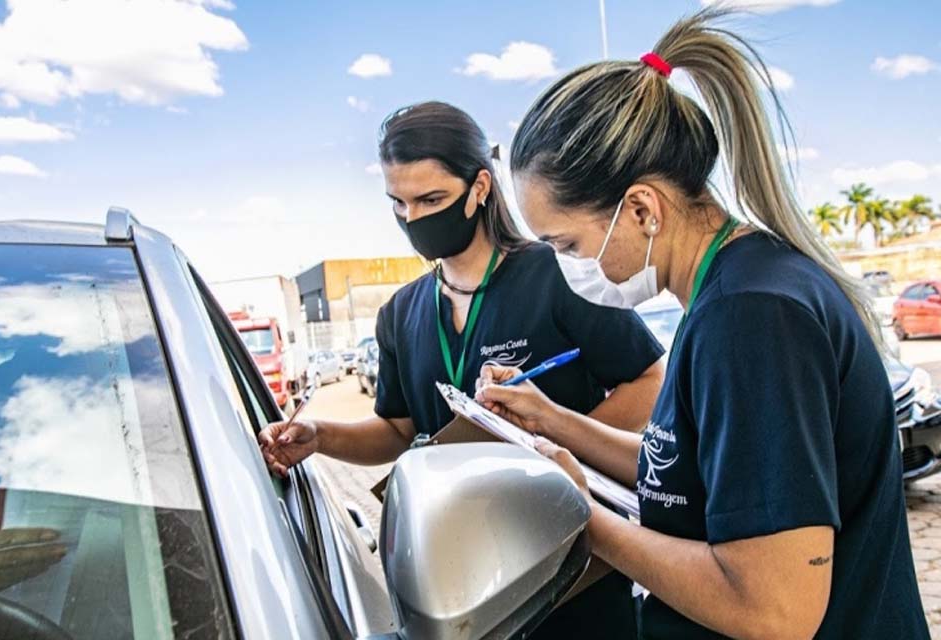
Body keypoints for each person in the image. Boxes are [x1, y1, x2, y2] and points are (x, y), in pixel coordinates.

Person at [475, 9, 929, 640]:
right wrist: (551, 421)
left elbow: (773, 611)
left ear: (640, 209)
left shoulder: (751, 318)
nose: (565, 267)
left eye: (568, 245)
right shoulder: (731, 290)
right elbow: (686, 474)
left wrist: (582, 515)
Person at [259, 101, 664, 638]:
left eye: (431, 199)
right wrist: (319, 436)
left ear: (479, 189)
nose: (413, 219)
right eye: (398, 204)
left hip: (570, 575)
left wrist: (557, 443)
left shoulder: (556, 274)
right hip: (465, 585)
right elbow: (399, 430)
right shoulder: (401, 313)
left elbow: (651, 381)